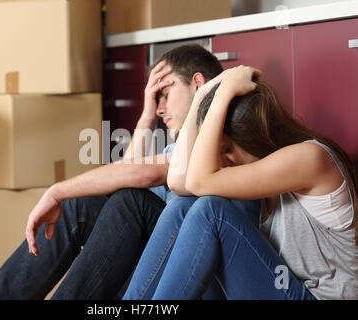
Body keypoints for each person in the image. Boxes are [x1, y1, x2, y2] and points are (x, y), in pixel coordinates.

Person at [0, 44, 234, 300]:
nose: (159, 107)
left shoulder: (216, 139)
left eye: (165, 94)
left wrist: (56, 191)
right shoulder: (176, 145)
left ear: (198, 84)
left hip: (196, 276)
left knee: (131, 202)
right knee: (82, 205)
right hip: (161, 259)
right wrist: (145, 117)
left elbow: (141, 176)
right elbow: (127, 177)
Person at [123, 65, 358, 300]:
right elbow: (179, 181)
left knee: (211, 211)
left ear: (253, 134)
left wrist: (223, 94)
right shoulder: (263, 172)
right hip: (281, 283)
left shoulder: (311, 158)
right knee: (182, 207)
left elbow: (197, 181)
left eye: (226, 150)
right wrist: (202, 96)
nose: (221, 162)